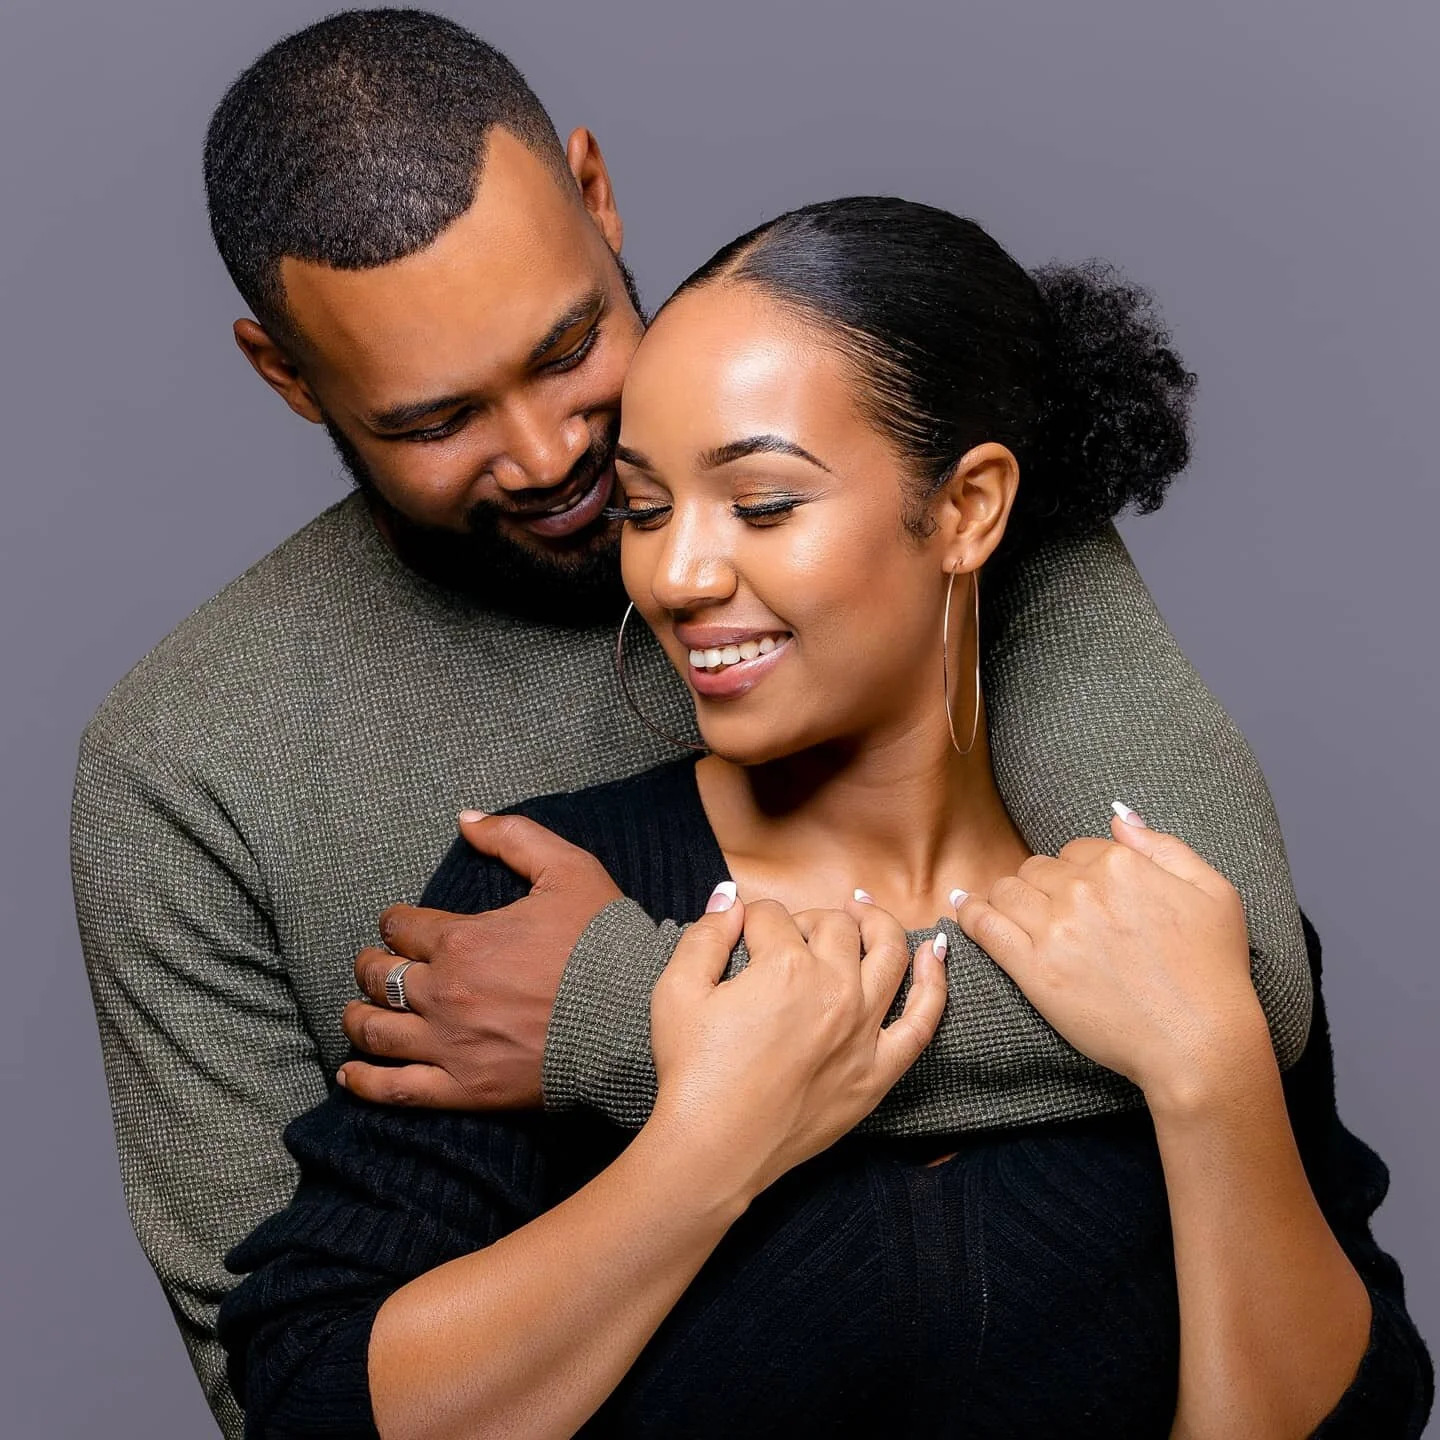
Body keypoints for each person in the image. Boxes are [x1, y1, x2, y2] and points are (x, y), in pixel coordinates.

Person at [71, 11, 1314, 1434]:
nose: (555, 455)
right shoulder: (189, 765)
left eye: (568, 347)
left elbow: (1237, 993)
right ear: (288, 376)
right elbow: (290, 1391)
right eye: (435, 421)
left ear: (596, 197)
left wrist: (615, 1016)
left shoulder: (924, 497)